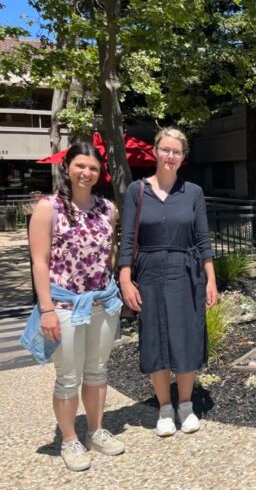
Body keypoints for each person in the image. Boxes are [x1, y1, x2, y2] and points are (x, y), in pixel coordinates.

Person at [24, 142, 124, 471]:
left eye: (93, 168)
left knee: (97, 370)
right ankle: (69, 439)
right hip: (64, 305)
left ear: (100, 173)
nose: (86, 173)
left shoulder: (108, 209)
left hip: (101, 302)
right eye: (80, 165)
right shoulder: (47, 208)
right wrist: (47, 308)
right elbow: (39, 263)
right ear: (68, 167)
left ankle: (95, 430)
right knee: (68, 376)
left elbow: (109, 254)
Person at [118, 127, 217, 437]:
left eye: (177, 151)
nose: (170, 156)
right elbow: (127, 239)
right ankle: (164, 407)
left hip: (186, 271)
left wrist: (211, 278)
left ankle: (185, 405)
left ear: (183, 157)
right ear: (155, 152)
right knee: (155, 338)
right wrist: (125, 278)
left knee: (186, 336)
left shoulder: (194, 193)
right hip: (148, 272)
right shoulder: (138, 190)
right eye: (166, 150)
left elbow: (203, 238)